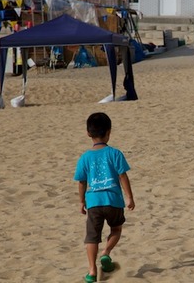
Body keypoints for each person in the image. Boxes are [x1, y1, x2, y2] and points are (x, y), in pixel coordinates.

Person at [74, 112, 135, 283]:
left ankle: (92, 271)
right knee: (116, 229)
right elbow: (123, 176)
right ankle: (106, 253)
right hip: (114, 201)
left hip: (93, 203)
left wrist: (81, 202)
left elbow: (81, 182)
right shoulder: (115, 153)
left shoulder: (84, 157)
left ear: (88, 133)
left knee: (92, 237)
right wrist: (129, 197)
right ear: (109, 132)